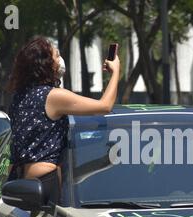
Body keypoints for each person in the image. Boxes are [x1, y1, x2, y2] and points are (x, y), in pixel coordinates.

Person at [7, 36, 120, 204]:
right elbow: (104, 106)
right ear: (45, 63)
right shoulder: (53, 96)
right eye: (57, 55)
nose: (60, 60)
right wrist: (115, 72)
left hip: (18, 181)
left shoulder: (19, 96)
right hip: (45, 182)